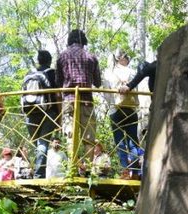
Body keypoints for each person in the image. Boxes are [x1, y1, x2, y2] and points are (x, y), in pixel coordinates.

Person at [55, 29, 101, 165]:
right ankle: (87, 170)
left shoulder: (61, 57)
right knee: (89, 137)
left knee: (70, 136)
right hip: (86, 100)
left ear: (69, 40)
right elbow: (98, 83)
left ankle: (72, 168)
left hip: (69, 100)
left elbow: (58, 82)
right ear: (83, 40)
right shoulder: (91, 57)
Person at [104, 49, 140, 179]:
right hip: (130, 109)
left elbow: (106, 93)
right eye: (127, 57)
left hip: (116, 110)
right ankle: (135, 172)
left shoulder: (109, 73)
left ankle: (124, 171)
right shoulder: (132, 72)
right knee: (133, 141)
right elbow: (137, 89)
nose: (128, 60)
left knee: (120, 141)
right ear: (122, 58)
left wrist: (112, 105)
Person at [24, 50, 59, 178]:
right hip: (48, 112)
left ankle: (38, 172)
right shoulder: (52, 73)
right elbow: (58, 94)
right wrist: (59, 114)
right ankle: (39, 175)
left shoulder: (29, 73)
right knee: (43, 143)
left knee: (38, 144)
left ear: (38, 60)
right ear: (50, 61)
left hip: (30, 112)